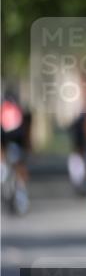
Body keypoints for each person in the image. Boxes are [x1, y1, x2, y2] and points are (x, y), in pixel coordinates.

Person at [1, 86, 32, 214]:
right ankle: (21, 190)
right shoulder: (18, 110)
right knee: (20, 168)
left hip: (7, 142)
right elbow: (23, 133)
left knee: (8, 167)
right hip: (15, 144)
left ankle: (8, 184)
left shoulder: (4, 109)